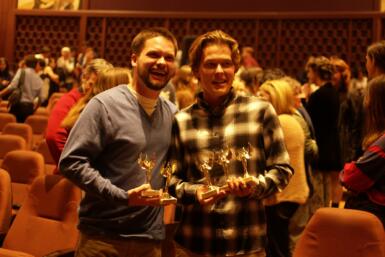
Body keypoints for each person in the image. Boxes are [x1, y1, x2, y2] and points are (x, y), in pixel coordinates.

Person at [168, 30, 293, 257]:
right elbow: (171, 181)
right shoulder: (181, 120)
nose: (219, 71)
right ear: (196, 70)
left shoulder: (261, 111)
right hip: (194, 244)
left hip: (246, 244)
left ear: (235, 69)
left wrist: (255, 186)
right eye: (210, 64)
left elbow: (282, 170)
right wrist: (195, 192)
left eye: (226, 64)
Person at [59, 27, 178, 257]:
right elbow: (71, 162)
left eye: (169, 57)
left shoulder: (173, 114)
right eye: (153, 55)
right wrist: (121, 197)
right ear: (134, 58)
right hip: (102, 239)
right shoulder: (103, 105)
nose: (162, 62)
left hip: (149, 241)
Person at [46, 58, 112, 166]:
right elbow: (54, 138)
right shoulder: (68, 101)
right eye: (94, 85)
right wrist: (76, 167)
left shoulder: (100, 101)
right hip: (76, 176)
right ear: (84, 78)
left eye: (104, 87)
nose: (99, 90)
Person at [340, 74, 385, 227]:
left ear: (377, 104)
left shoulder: (383, 142)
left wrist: (347, 170)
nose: (365, 102)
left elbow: (352, 177)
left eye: (368, 96)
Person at [0, 55, 45, 122]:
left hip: (18, 105)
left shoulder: (21, 71)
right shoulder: (40, 80)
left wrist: (0, 94)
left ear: (25, 63)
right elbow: (41, 98)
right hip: (29, 107)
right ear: (36, 65)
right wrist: (34, 109)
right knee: (23, 128)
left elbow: (12, 86)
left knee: (13, 126)